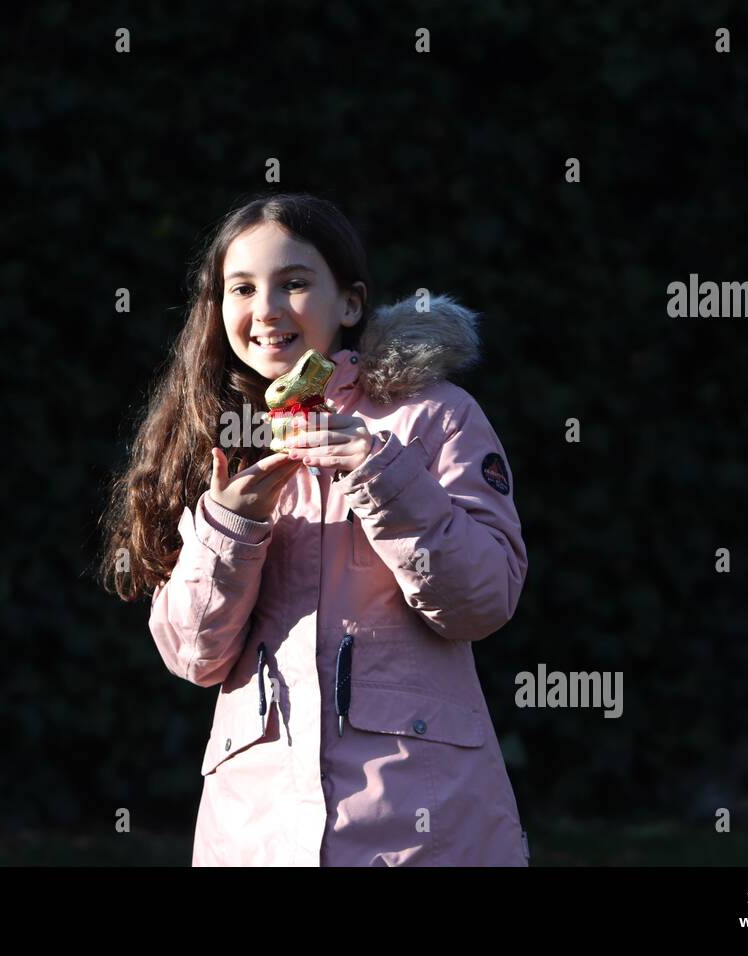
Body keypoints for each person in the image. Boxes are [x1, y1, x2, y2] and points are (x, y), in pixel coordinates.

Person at [99, 192, 529, 866]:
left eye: (294, 283)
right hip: (255, 834)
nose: (266, 309)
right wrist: (231, 526)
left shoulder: (432, 417)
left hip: (424, 835)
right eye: (241, 288)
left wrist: (382, 472)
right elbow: (193, 655)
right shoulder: (211, 438)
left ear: (350, 304)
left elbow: (482, 599)